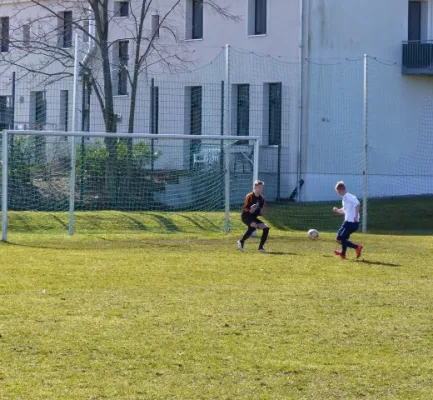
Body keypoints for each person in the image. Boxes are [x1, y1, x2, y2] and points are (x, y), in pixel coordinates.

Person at [332, 181, 363, 260]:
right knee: (343, 238)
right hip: (348, 222)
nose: (338, 193)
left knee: (339, 239)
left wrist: (355, 216)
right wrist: (337, 210)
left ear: (340, 191)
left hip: (351, 223)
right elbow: (344, 211)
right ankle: (343, 254)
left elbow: (357, 204)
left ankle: (357, 247)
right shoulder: (345, 199)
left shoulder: (348, 196)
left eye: (338, 192)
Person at [237, 180, 270, 253]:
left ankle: (261, 248)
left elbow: (259, 212)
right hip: (245, 216)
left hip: (253, 218)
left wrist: (262, 213)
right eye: (259, 187)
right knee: (253, 226)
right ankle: (241, 241)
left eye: (261, 188)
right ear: (255, 187)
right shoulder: (249, 196)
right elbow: (245, 208)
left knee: (266, 228)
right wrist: (251, 209)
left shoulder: (262, 198)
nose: (260, 189)